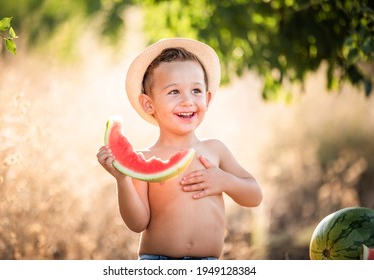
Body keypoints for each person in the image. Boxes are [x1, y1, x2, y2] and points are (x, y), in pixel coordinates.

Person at [97, 38, 263, 260]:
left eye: (196, 90)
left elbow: (255, 196)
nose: (187, 101)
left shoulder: (215, 150)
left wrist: (224, 181)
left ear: (208, 98)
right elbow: (137, 223)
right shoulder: (145, 159)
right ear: (149, 104)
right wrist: (122, 179)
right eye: (174, 92)